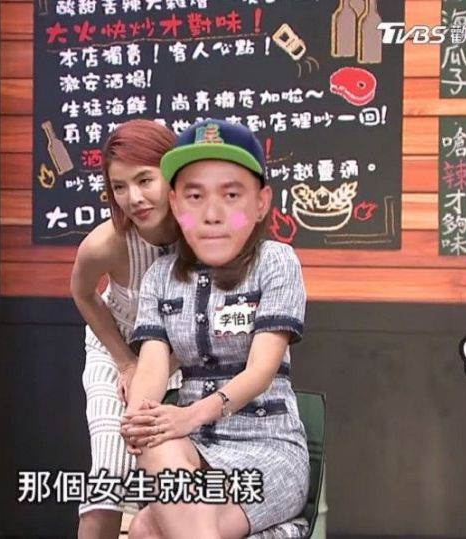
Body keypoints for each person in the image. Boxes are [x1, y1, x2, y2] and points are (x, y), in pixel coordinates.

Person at [122, 119, 309, 538]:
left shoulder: (276, 262)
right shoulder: (160, 277)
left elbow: (261, 371)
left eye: (231, 195)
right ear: (175, 203)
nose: (211, 215)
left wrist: (190, 416)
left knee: (148, 529)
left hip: (268, 449)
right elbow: (151, 366)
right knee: (154, 441)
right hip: (193, 449)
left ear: (261, 203)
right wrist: (140, 417)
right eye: (195, 196)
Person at [70, 119, 182, 539]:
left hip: (183, 359)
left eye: (144, 180)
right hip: (117, 353)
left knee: (176, 482)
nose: (133, 198)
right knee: (109, 476)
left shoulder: (203, 236)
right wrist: (124, 362)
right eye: (119, 186)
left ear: (172, 173)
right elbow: (83, 293)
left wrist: (163, 368)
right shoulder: (106, 243)